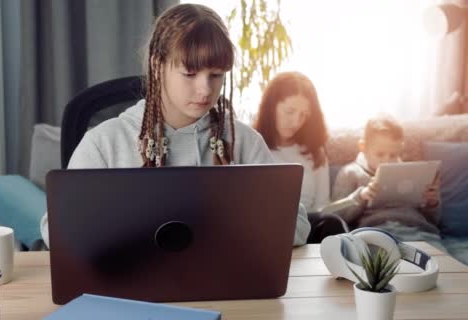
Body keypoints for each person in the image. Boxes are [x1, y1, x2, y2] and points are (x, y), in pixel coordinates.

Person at [40, 4, 310, 248]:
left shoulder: (244, 141)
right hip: (130, 288)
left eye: (216, 75)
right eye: (190, 74)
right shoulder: (104, 143)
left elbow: (297, 226)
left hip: (224, 288)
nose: (205, 89)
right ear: (157, 66)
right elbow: (56, 231)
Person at [253, 71, 345, 243]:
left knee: (332, 223)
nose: (296, 122)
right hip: (266, 226)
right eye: (290, 111)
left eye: (304, 115)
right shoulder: (251, 145)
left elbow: (322, 206)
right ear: (271, 106)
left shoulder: (314, 152)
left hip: (308, 225)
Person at [332, 116, 442, 242]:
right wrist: (361, 196)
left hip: (419, 231)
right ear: (363, 147)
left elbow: (435, 221)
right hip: (377, 231)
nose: (387, 160)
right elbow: (336, 216)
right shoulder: (351, 172)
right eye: (380, 154)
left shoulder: (412, 173)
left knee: (436, 259)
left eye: (393, 155)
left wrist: (432, 203)